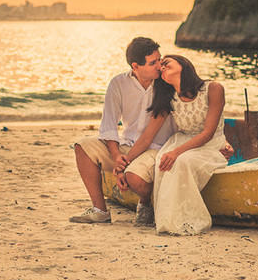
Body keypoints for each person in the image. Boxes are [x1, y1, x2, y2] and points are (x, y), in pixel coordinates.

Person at [68, 37, 175, 224]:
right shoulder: (118, 84)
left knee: (134, 178)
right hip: (127, 147)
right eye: (152, 63)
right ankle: (100, 210)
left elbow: (148, 137)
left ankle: (145, 203)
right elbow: (109, 126)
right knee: (82, 146)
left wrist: (122, 167)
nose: (159, 66)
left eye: (159, 59)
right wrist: (117, 156)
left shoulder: (166, 85)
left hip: (155, 149)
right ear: (136, 66)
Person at [119, 54, 227, 235]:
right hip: (180, 141)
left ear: (183, 63)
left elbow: (208, 133)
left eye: (166, 63)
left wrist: (176, 153)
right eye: (161, 70)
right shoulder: (168, 99)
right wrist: (125, 163)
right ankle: (166, 219)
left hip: (210, 143)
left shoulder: (213, 88)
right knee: (165, 161)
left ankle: (187, 219)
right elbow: (147, 137)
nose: (162, 68)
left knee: (182, 161)